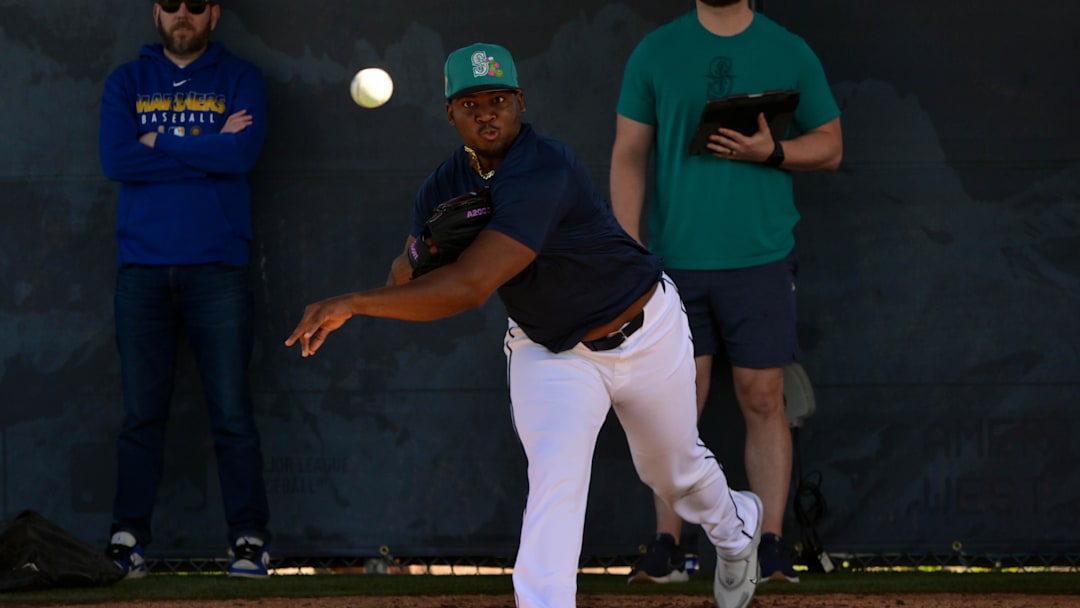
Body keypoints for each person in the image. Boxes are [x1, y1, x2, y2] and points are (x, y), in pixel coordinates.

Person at [286, 42, 763, 608]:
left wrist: (354, 303)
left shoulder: (545, 166)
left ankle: (736, 531)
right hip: (552, 350)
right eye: (470, 102)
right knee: (556, 478)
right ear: (450, 114)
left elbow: (469, 289)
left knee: (673, 472)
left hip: (644, 327)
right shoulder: (441, 188)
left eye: (498, 99)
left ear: (520, 102)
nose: (486, 112)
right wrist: (427, 249)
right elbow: (403, 278)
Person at [610, 0, 842, 585]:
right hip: (673, 263)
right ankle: (667, 546)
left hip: (760, 260)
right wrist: (629, 248)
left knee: (763, 396)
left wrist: (775, 152)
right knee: (674, 401)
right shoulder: (656, 51)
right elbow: (629, 154)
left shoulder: (788, 50)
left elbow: (832, 145)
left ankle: (769, 547)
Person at [98, 0, 272, 579]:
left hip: (217, 267)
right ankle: (128, 541)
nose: (182, 14)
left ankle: (249, 539)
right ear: (155, 12)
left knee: (232, 413)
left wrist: (158, 142)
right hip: (142, 271)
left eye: (195, 5)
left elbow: (241, 153)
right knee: (141, 417)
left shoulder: (241, 78)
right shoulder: (127, 80)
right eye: (171, 3)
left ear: (214, 14)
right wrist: (207, 143)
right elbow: (116, 157)